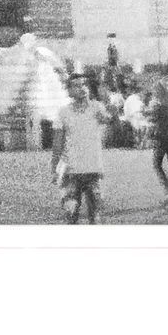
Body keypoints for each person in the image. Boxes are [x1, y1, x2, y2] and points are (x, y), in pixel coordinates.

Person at [51, 72, 110, 224]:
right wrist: (55, 169)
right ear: (69, 91)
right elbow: (57, 143)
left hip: (93, 169)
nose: (82, 88)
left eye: (84, 84)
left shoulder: (97, 108)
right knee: (71, 215)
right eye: (77, 86)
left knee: (95, 215)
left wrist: (107, 102)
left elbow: (108, 119)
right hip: (71, 171)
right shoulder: (63, 113)